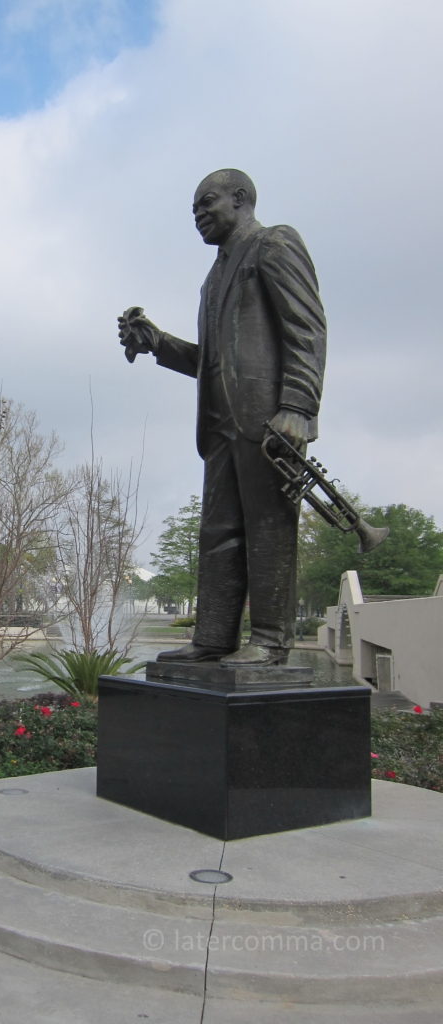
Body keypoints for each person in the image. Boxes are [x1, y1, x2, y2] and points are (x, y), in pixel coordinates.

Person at [120, 168, 326, 666]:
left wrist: (297, 405)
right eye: (193, 208)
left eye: (206, 203)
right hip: (218, 425)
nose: (198, 215)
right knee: (218, 532)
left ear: (240, 199)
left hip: (268, 421)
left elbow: (307, 329)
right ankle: (213, 637)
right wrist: (158, 343)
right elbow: (212, 361)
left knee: (269, 526)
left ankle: (271, 641)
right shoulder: (213, 279)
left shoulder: (274, 244)